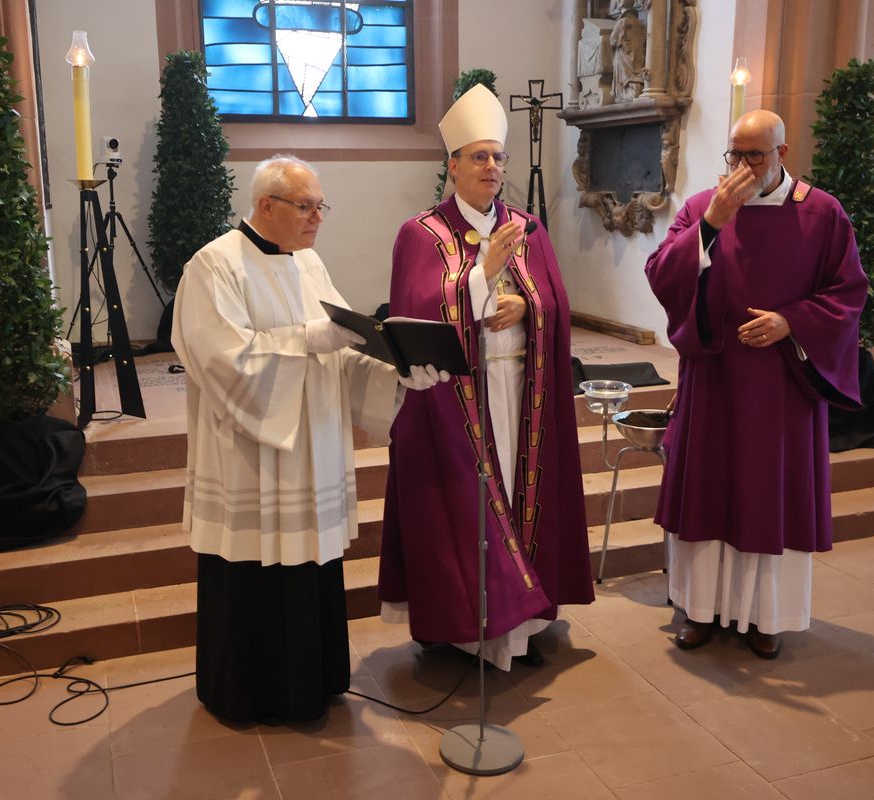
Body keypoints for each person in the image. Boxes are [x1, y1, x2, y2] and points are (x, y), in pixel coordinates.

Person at [172, 155, 447, 722]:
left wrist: (397, 372)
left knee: (308, 572)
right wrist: (309, 340)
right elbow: (222, 361)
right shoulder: (214, 266)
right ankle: (247, 694)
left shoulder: (309, 263)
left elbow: (340, 351)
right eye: (306, 206)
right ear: (266, 206)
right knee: (254, 574)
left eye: (321, 205)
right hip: (251, 456)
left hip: (311, 450)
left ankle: (312, 684)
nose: (318, 216)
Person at [378, 85, 594, 670]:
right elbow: (417, 313)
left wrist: (530, 306)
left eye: (498, 157)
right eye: (479, 156)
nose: (493, 168)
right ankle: (464, 631)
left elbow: (555, 301)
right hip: (456, 404)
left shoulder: (527, 226)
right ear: (451, 165)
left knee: (524, 495)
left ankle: (520, 624)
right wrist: (482, 275)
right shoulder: (420, 233)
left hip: (523, 391)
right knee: (468, 506)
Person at [644, 110, 867, 659]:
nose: (743, 167)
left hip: (780, 386)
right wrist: (711, 225)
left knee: (770, 494)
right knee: (710, 491)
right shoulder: (703, 207)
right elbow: (661, 273)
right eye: (735, 155)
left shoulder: (822, 214)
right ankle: (698, 611)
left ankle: (767, 616)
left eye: (756, 156)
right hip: (715, 379)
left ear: (782, 154)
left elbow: (848, 294)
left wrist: (793, 321)